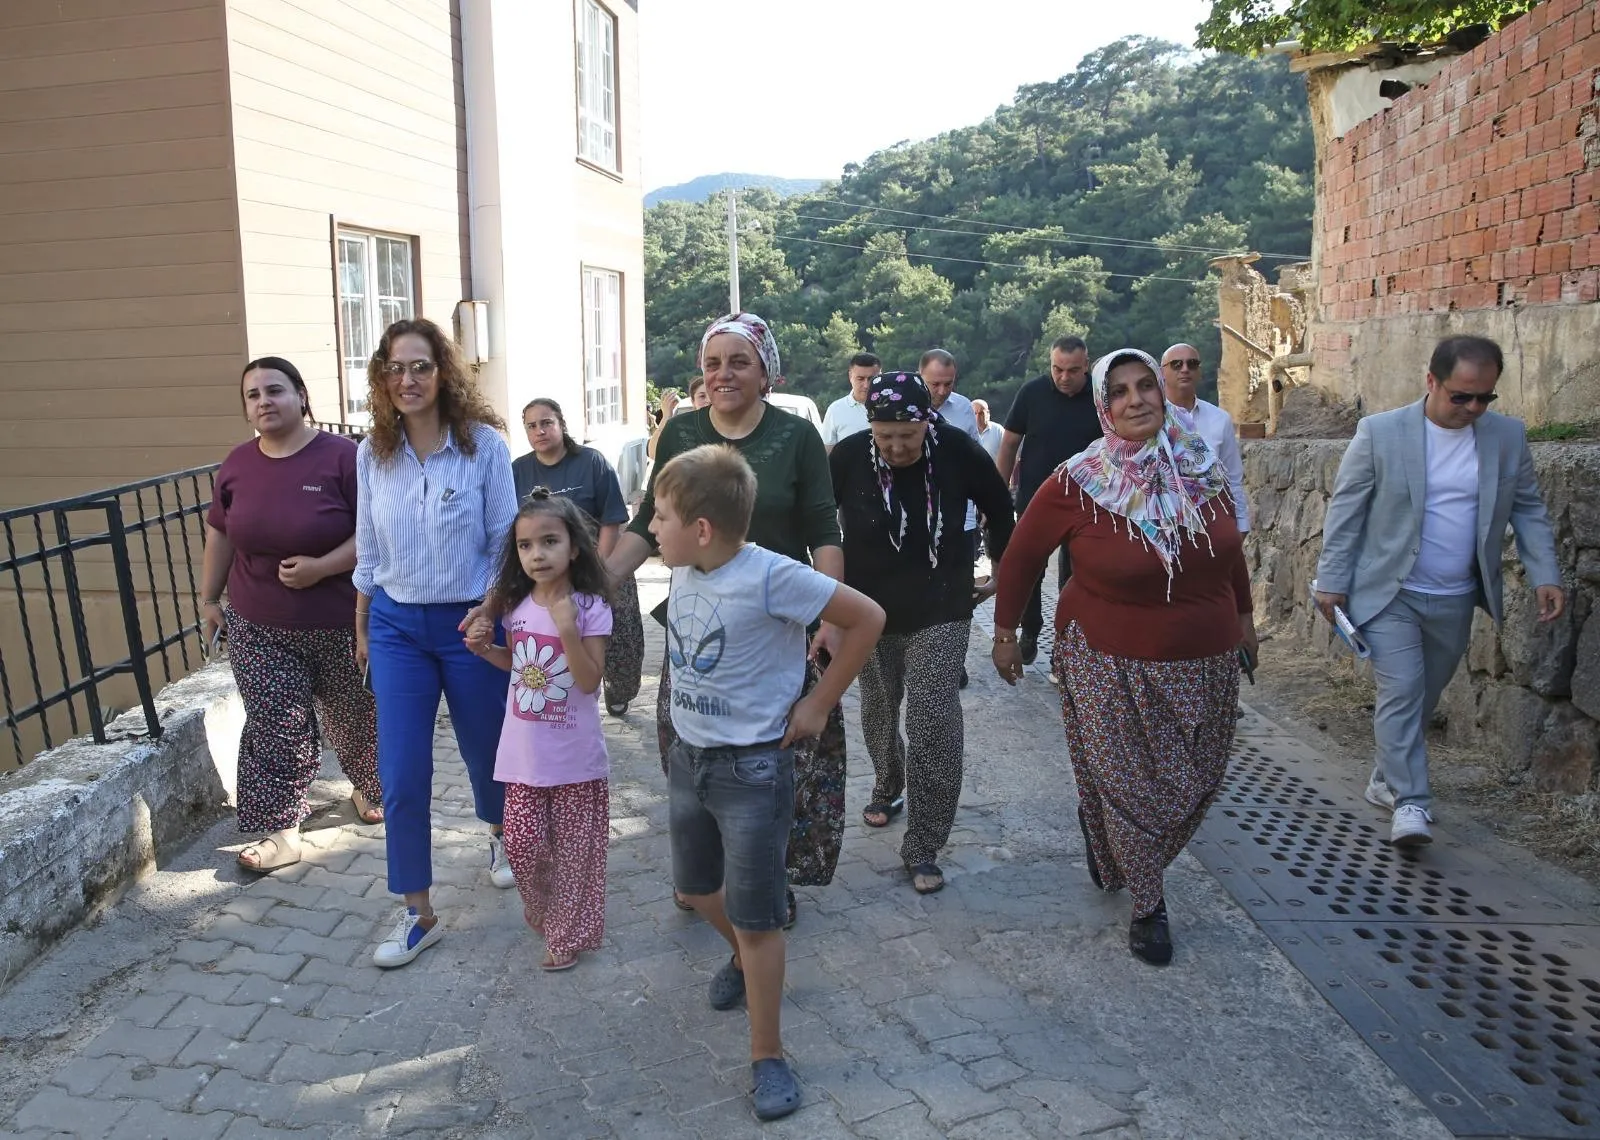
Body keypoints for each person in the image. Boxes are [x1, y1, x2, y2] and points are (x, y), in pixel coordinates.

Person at [991, 349, 1255, 966]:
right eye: (1119, 392)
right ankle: (1148, 903)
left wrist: (1244, 618)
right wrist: (1006, 633)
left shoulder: (1200, 467)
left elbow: (1228, 549)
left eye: (1146, 387)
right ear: (1102, 408)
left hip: (1205, 657)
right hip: (1106, 656)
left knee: (1197, 782)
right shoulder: (1078, 480)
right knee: (1132, 787)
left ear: (1163, 395)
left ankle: (1109, 833)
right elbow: (1024, 557)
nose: (1136, 400)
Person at [650, 443, 884, 1122]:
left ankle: (767, 1055)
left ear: (700, 528)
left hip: (754, 770)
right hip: (691, 760)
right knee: (697, 890)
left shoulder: (772, 576)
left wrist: (817, 705)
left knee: (760, 919)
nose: (652, 526)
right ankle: (746, 964)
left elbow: (865, 618)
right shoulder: (688, 568)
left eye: (661, 516)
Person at [606, 312, 846, 928]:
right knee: (685, 746)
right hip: (698, 622)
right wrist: (600, 585)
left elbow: (823, 531)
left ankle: (766, 881)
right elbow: (646, 525)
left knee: (779, 759)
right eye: (713, 363)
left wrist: (832, 615)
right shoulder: (680, 431)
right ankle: (706, 873)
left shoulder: (796, 439)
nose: (723, 374)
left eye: (739, 361)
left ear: (765, 370)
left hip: (772, 627)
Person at [1314, 335, 1563, 847]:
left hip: (1454, 595)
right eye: (1461, 396)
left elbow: (1529, 510)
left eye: (1484, 398)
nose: (1473, 408)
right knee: (1402, 689)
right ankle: (1412, 804)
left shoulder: (1507, 438)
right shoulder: (1380, 432)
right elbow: (1347, 512)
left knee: (1424, 695)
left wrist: (1546, 574)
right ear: (1431, 381)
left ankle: (1386, 778)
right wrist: (1333, 581)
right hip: (1390, 593)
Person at [354, 317, 520, 970]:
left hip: (471, 623)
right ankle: (419, 911)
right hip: (397, 626)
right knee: (400, 772)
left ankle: (504, 835)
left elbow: (505, 541)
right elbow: (368, 546)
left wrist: (490, 610)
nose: (408, 379)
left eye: (420, 366)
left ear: (443, 372)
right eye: (395, 368)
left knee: (486, 750)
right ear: (381, 378)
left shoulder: (484, 447)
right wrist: (363, 624)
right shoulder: (373, 453)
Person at [831, 372, 1015, 894]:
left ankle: (925, 843)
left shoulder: (958, 450)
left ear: (925, 422)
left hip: (943, 604)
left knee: (933, 716)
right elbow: (820, 524)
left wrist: (1000, 567)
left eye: (906, 435)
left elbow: (1001, 509)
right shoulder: (846, 458)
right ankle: (890, 783)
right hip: (869, 611)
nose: (895, 446)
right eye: (884, 436)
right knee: (879, 707)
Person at [201, 357, 383, 873]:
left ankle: (370, 786)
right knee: (275, 724)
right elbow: (220, 532)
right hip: (259, 624)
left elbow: (374, 533)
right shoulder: (236, 465)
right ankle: (282, 830)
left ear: (301, 395)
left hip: (343, 621)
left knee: (356, 717)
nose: (264, 401)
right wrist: (210, 600)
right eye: (253, 394)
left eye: (275, 390)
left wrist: (322, 566)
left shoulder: (344, 458)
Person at [469, 491, 612, 972]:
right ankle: (545, 913)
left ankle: (565, 934)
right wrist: (488, 650)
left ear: (574, 547)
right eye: (526, 545)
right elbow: (523, 666)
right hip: (524, 758)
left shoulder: (590, 606)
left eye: (549, 541)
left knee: (574, 857)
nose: (537, 554)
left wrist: (567, 627)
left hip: (575, 759)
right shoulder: (515, 606)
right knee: (523, 846)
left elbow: (589, 681)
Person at [513, 397, 643, 717]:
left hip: (603, 562)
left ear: (561, 425)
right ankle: (562, 699)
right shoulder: (518, 470)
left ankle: (620, 689)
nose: (540, 431)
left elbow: (613, 521)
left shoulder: (591, 461)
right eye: (532, 426)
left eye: (547, 423)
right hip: (549, 572)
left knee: (622, 638)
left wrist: (597, 570)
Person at [996, 335, 1100, 668]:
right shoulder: (1032, 392)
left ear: (1086, 364)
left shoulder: (1101, 396)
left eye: (1072, 370)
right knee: (1030, 568)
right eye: (1057, 369)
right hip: (1035, 496)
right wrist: (999, 492)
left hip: (1087, 501)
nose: (1064, 377)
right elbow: (1010, 443)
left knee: (1075, 574)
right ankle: (1030, 631)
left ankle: (1067, 642)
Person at [1160, 344, 1250, 534]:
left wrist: (1242, 524)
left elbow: (1233, 478)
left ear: (1199, 372)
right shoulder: (1152, 418)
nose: (1185, 369)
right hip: (1164, 525)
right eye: (1176, 364)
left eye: (1192, 364)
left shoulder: (1220, 419)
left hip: (1214, 523)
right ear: (1162, 372)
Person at [820, 352, 882, 453]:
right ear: (850, 376)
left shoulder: (894, 408)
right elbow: (828, 453)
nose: (866, 385)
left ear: (880, 377)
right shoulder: (836, 410)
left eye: (871, 379)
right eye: (860, 379)